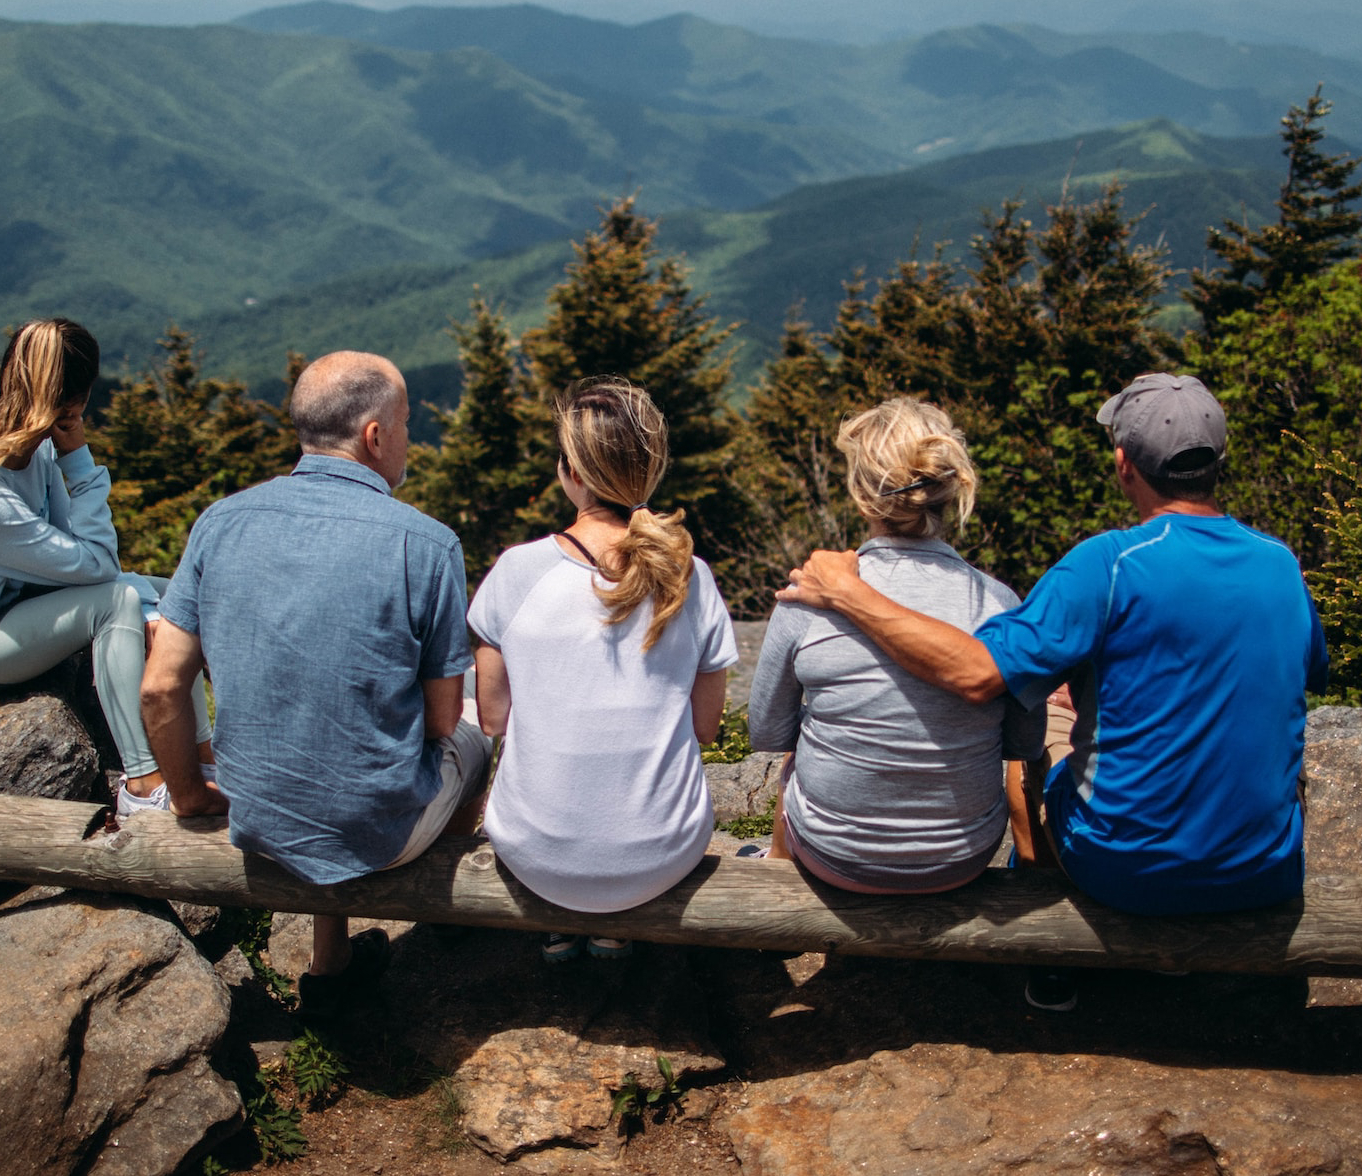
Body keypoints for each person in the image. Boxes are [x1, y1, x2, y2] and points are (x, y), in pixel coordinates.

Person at [777, 373, 1328, 1011]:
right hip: (1263, 870)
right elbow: (1299, 672)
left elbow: (979, 673)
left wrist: (848, 592)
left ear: (1124, 465)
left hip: (1125, 870)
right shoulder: (1280, 563)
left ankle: (1050, 955)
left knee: (1037, 734)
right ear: (1217, 461)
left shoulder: (1107, 564)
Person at [140, 350, 489, 1011]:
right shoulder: (427, 543)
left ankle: (331, 957)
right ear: (375, 435)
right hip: (381, 836)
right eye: (408, 422)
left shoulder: (221, 521)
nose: (409, 438)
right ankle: (447, 914)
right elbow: (443, 723)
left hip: (259, 817)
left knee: (319, 719)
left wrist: (188, 794)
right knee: (476, 744)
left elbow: (160, 687)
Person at [0, 318, 212, 811]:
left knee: (170, 593)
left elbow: (79, 553)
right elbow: (99, 566)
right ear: (75, 403)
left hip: (5, 611)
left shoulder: (24, 448)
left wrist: (153, 608)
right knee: (118, 601)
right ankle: (143, 787)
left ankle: (203, 759)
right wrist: (79, 459)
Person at [467, 377, 737, 962]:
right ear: (649, 472)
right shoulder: (692, 576)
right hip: (662, 854)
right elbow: (706, 727)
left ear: (572, 472)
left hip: (537, 855)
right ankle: (617, 927)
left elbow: (493, 719)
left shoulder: (516, 572)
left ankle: (561, 923)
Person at [748, 399, 1046, 894]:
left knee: (798, 752)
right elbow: (1023, 743)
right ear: (948, 492)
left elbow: (768, 730)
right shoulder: (1000, 603)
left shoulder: (809, 597)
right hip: (963, 856)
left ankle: (775, 867)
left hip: (834, 856)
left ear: (863, 500)